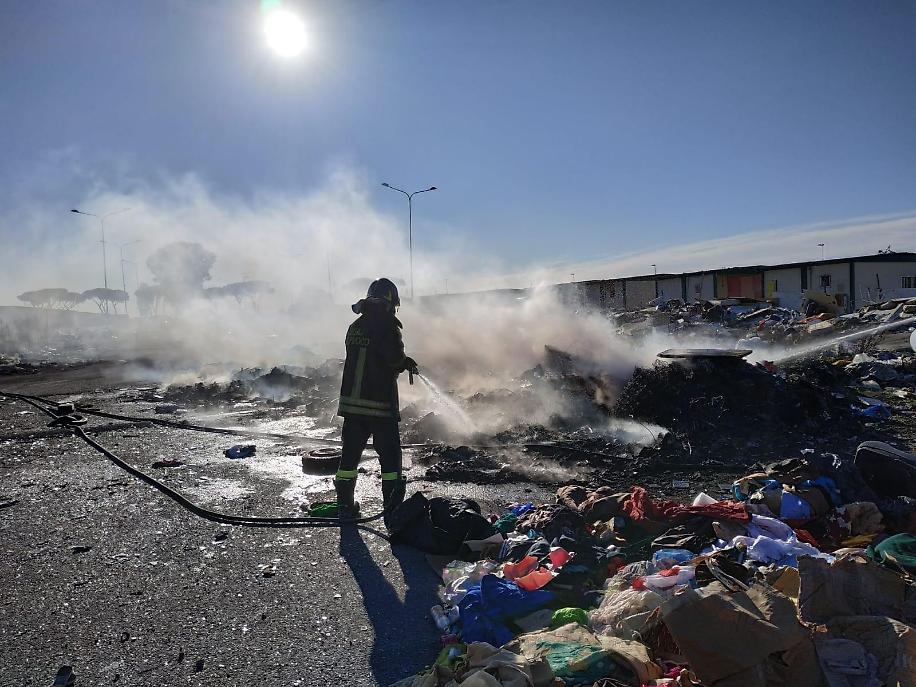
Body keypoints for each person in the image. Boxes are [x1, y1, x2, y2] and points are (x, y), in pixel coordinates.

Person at [335, 278, 418, 520]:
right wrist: (405, 362)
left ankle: (344, 507)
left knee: (349, 458)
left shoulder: (355, 326)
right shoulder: (387, 326)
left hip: (352, 407)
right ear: (390, 302)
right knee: (390, 460)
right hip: (379, 406)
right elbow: (393, 358)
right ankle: (392, 510)